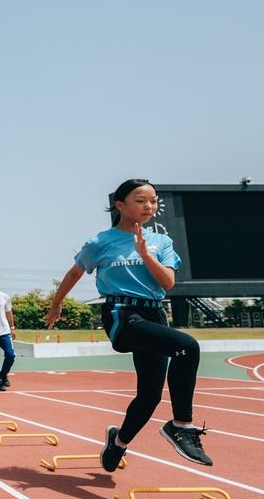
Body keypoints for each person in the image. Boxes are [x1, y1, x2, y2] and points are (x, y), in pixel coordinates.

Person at [45, 178, 211, 472]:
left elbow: (168, 282)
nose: (149, 206)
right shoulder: (102, 241)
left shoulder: (161, 242)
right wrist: (56, 304)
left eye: (153, 201)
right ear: (120, 205)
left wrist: (145, 254)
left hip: (154, 314)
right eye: (140, 200)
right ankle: (182, 425)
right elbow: (74, 273)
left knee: (149, 396)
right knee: (187, 346)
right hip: (122, 314)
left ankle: (117, 444)